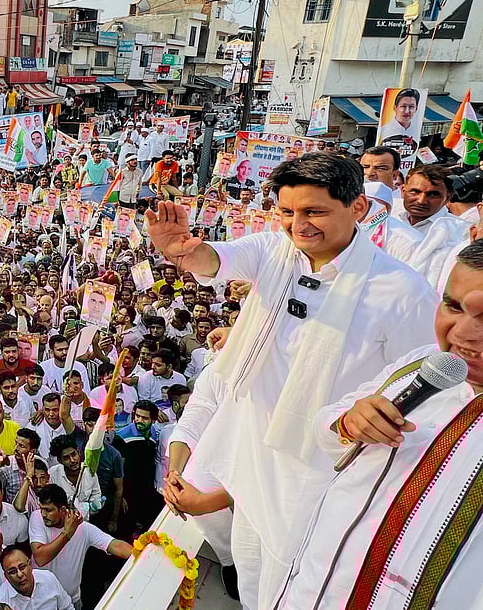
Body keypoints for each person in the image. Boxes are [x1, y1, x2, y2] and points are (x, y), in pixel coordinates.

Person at [150, 152, 438, 607]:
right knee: (251, 580)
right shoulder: (273, 252)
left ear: (357, 208)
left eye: (313, 212)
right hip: (252, 467)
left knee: (297, 590)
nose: (298, 225)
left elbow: (419, 392)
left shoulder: (401, 291)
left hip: (319, 479)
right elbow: (216, 261)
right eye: (287, 212)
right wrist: (182, 250)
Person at [270, 240, 483, 608]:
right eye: (453, 306)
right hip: (310, 587)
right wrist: (350, 423)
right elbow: (326, 425)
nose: (462, 333)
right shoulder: (423, 363)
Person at [29, 484, 131, 608]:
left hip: (72, 600)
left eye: (48, 510)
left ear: (62, 510)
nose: (43, 514)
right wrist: (67, 534)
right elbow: (40, 558)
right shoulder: (36, 518)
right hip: (43, 602)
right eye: (41, 509)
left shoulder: (83, 528)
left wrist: (142, 552)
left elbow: (115, 545)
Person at [0, 545, 74, 610]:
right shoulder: (0, 601)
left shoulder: (48, 579)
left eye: (22, 567)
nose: (19, 574)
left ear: (30, 564)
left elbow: (67, 607)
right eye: (12, 572)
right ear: (6, 576)